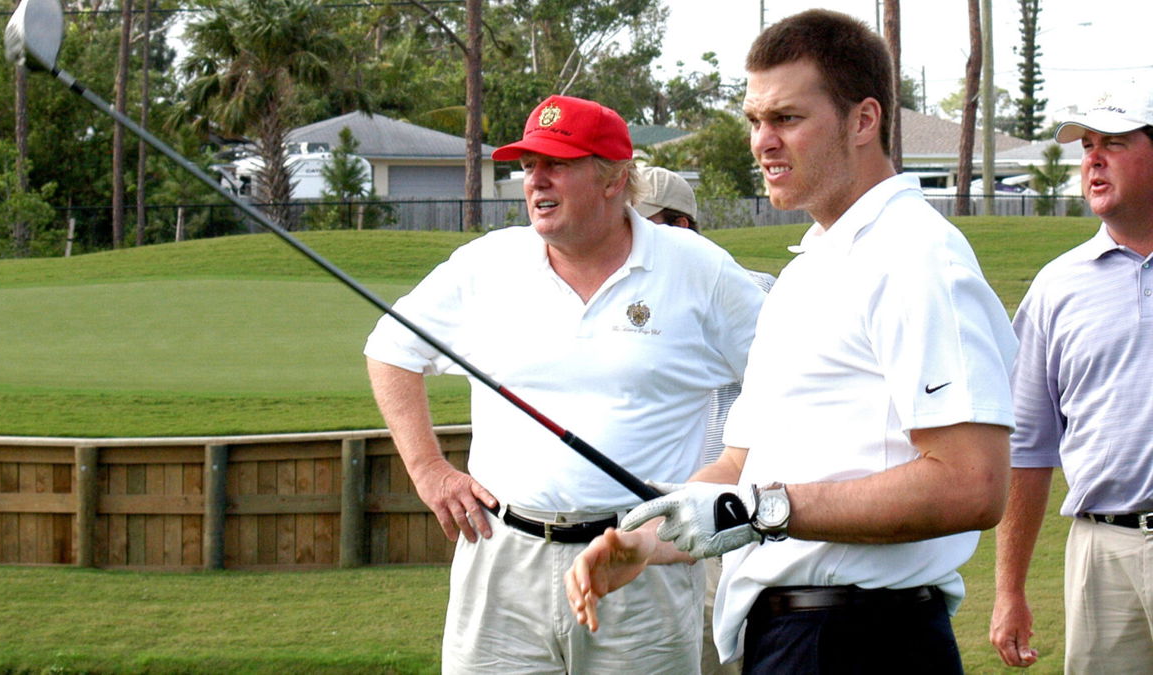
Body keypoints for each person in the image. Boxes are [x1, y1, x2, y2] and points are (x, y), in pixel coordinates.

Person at [564, 10, 1018, 673]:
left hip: (866, 639)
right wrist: (647, 536)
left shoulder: (916, 256)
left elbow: (974, 484)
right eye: (754, 121)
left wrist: (764, 509)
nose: (762, 142)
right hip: (792, 635)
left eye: (786, 118)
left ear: (864, 121)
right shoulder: (805, 272)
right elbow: (740, 466)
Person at [364, 94, 767, 674]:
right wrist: (429, 470)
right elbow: (390, 348)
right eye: (529, 165)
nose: (536, 181)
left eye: (558, 163)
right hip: (501, 560)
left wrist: (733, 474)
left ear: (613, 179)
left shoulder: (697, 269)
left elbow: (784, 377)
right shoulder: (487, 264)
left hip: (638, 562)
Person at [990, 80, 1153, 672]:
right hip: (1099, 552)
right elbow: (1029, 446)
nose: (1093, 160)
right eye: (1087, 146)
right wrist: (1009, 590)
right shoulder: (1057, 288)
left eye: (1113, 141)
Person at [637, 165, 773, 675]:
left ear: (680, 228)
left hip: (723, 524)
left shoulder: (759, 294)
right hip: (654, 524)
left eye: (640, 225)